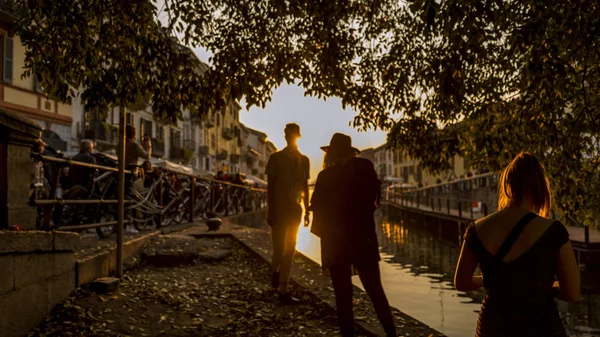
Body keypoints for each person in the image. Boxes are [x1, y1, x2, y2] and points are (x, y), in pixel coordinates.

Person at [454, 152, 580, 337]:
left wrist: (492, 281)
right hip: (542, 328)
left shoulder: (477, 230)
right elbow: (572, 293)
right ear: (540, 188)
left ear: (507, 187)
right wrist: (540, 286)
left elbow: (462, 283)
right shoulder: (553, 232)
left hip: (493, 328)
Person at [310, 133, 396, 337]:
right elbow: (374, 202)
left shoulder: (325, 176)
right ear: (350, 152)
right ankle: (392, 335)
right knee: (377, 293)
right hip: (363, 239)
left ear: (331, 154)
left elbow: (320, 221)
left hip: (336, 244)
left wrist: (325, 259)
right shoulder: (365, 168)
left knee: (343, 297)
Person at [265, 123, 310, 302]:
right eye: (288, 134)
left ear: (297, 136)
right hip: (279, 209)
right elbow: (270, 186)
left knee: (290, 250)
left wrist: (307, 210)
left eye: (292, 134)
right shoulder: (275, 158)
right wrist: (271, 210)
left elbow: (305, 186)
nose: (290, 137)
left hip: (295, 211)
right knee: (278, 250)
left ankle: (284, 288)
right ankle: (275, 273)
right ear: (285, 136)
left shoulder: (305, 160)